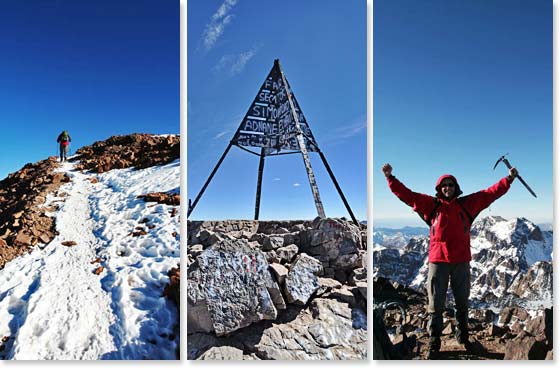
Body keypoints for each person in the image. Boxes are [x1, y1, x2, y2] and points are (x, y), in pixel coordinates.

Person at [381, 163, 517, 359]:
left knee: (462, 301)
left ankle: (463, 336)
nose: (447, 188)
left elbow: (489, 194)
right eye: (444, 185)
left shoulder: (466, 204)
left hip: (461, 260)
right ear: (439, 189)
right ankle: (434, 340)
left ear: (456, 188)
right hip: (438, 260)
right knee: (435, 303)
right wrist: (390, 178)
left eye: (450, 185)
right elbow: (407, 196)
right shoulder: (431, 205)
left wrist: (508, 179)